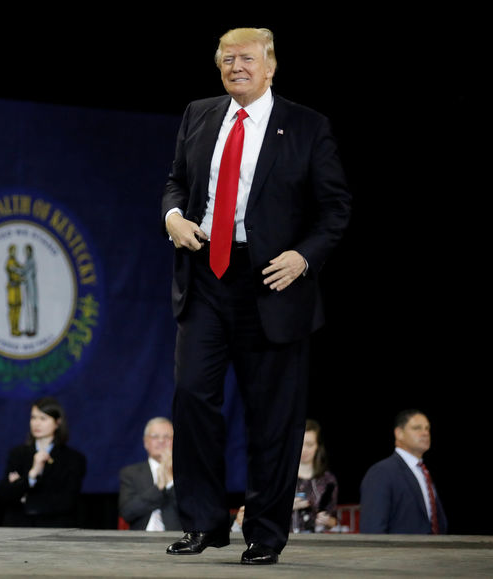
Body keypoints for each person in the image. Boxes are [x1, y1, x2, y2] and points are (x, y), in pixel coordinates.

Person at [161, 27, 351, 565]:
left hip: (272, 281)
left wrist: (304, 257)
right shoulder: (199, 113)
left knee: (272, 416)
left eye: (246, 58)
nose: (235, 65)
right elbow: (176, 181)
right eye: (226, 58)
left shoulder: (308, 126)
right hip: (205, 275)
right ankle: (202, 522)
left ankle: (266, 532)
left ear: (270, 66)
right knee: (193, 396)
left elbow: (335, 209)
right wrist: (173, 217)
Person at [0, 396, 86, 527]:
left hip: (55, 528)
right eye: (33, 417)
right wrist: (32, 474)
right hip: (18, 527)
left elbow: (67, 501)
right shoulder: (18, 454)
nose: (36, 423)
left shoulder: (73, 458)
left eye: (43, 418)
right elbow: (5, 495)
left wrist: (25, 497)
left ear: (57, 422)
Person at [360, 409, 448, 534]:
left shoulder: (424, 472)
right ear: (399, 433)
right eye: (417, 428)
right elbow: (372, 530)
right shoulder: (382, 472)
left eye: (427, 428)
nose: (425, 433)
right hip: (401, 553)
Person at [118, 417, 181, 531]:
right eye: (155, 436)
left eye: (167, 437)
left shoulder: (187, 472)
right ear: (145, 442)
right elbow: (127, 512)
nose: (161, 441)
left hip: (177, 539)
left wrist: (171, 482)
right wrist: (159, 488)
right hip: (140, 540)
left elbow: (194, 512)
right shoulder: (131, 473)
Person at [291, 419, 338, 533]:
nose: (304, 450)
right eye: (300, 444)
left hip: (316, 543)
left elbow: (334, 521)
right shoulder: (280, 477)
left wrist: (327, 521)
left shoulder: (327, 480)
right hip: (283, 543)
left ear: (318, 446)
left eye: (309, 445)